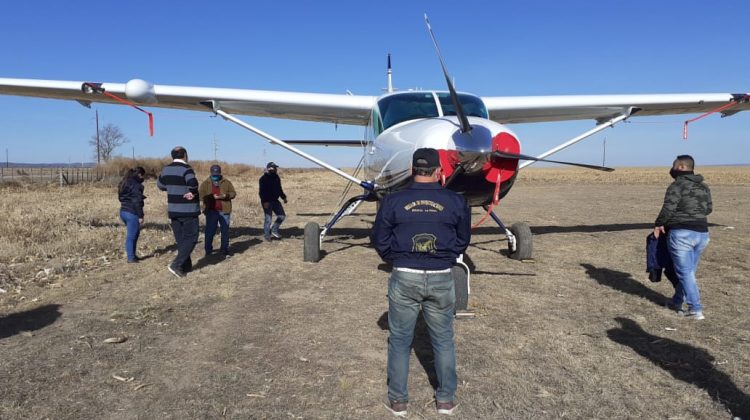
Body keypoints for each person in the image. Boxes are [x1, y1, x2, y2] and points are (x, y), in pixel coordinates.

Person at [371, 148, 471, 417]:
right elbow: (463, 239)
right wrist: (446, 257)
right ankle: (446, 400)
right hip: (441, 276)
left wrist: (397, 258)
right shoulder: (456, 201)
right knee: (443, 340)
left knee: (400, 340)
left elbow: (379, 238)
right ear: (439, 171)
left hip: (404, 275)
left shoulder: (393, 201)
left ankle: (399, 401)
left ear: (413, 170)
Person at [654, 154, 712, 320]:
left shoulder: (676, 186)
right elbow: (708, 209)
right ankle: (677, 301)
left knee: (685, 273)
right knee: (688, 272)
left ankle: (695, 309)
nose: (671, 169)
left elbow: (668, 209)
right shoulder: (704, 187)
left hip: (681, 234)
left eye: (673, 165)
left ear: (680, 167)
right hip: (702, 233)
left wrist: (659, 223)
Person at [157, 146, 200, 278]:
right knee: (192, 237)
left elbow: (160, 185)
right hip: (187, 209)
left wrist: (172, 188)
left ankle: (185, 266)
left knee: (181, 239)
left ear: (172, 156)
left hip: (173, 209)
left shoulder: (166, 169)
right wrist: (191, 192)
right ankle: (176, 264)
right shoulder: (187, 169)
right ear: (185, 155)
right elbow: (193, 184)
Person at [199, 164, 237, 257]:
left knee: (225, 231)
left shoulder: (226, 182)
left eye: (217, 174)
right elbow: (200, 196)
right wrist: (210, 198)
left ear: (220, 173)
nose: (215, 176)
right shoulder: (205, 183)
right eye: (213, 174)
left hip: (224, 211)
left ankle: (224, 249)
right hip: (211, 211)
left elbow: (233, 193)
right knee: (210, 231)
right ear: (211, 173)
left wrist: (225, 196)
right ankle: (208, 250)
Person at [118, 166, 146, 263]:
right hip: (132, 213)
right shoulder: (136, 185)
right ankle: (130, 258)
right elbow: (137, 201)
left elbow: (121, 197)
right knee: (132, 235)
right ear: (139, 175)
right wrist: (140, 216)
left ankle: (133, 255)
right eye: (143, 175)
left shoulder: (124, 182)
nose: (143, 178)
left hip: (123, 211)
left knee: (134, 234)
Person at [258, 161, 287, 241]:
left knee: (282, 216)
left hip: (275, 200)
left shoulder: (276, 178)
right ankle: (267, 235)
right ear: (269, 168)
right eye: (273, 168)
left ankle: (274, 230)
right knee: (268, 219)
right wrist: (265, 201)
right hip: (267, 201)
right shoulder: (263, 179)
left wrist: (283, 197)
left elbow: (279, 189)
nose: (275, 169)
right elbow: (262, 192)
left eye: (275, 168)